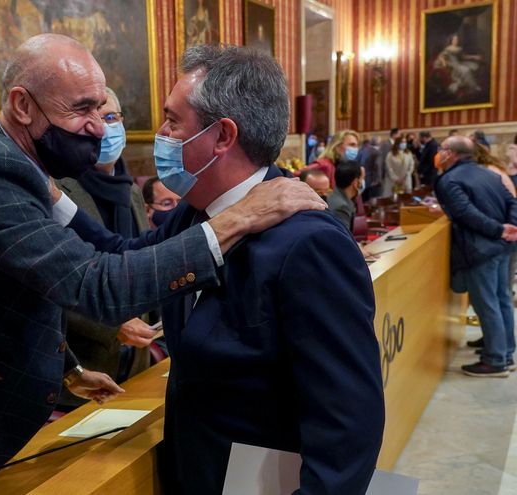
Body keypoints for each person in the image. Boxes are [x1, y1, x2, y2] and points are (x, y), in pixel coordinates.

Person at [0, 34, 323, 494]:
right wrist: (237, 218)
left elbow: (17, 281)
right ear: (23, 105)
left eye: (102, 108)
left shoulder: (16, 164)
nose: (98, 126)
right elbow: (93, 285)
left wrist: (66, 367)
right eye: (82, 109)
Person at [66, 44, 384, 494]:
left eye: (174, 121)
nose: (160, 133)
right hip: (198, 468)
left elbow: (349, 419)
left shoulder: (310, 243)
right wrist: (48, 197)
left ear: (222, 136)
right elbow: (126, 257)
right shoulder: (195, 214)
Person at [54, 87, 155, 405]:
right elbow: (52, 282)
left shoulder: (132, 191)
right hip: (81, 370)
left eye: (111, 117)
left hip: (135, 362)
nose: (104, 127)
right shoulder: (57, 192)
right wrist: (111, 324)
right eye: (93, 117)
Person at [435, 136, 517, 377]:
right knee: (502, 299)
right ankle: (506, 352)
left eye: (441, 149)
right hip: (502, 246)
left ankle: (495, 361)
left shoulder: (448, 180)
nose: (438, 153)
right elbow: (512, 201)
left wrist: (500, 229)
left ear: (450, 153)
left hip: (479, 249)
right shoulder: (489, 173)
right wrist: (508, 228)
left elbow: (464, 213)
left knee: (487, 303)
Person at [326, 161, 364, 231]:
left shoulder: (334, 196)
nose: (362, 182)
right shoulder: (342, 207)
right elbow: (343, 238)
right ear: (355, 183)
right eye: (362, 179)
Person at [359, 136, 383, 201]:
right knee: (374, 201)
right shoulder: (377, 153)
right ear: (379, 143)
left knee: (364, 200)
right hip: (374, 181)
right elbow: (378, 166)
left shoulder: (362, 150)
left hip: (364, 179)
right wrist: (378, 180)